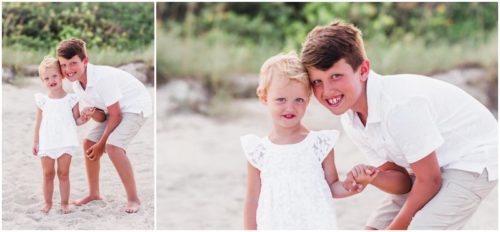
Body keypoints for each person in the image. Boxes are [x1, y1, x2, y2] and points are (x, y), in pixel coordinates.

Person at [301, 21, 498, 229]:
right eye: (317, 82)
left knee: (418, 227)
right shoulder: (351, 119)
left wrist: (394, 228)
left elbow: (430, 180)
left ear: (363, 70)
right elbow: (403, 182)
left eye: (336, 76)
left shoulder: (398, 106)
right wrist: (374, 177)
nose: (327, 90)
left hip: (473, 159)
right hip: (428, 167)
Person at [241, 52, 372, 230]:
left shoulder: (319, 144)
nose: (290, 107)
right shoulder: (258, 151)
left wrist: (354, 184)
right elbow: (252, 199)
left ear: (308, 100)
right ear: (264, 98)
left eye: (299, 100)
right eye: (281, 100)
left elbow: (332, 187)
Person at [56, 38, 152, 213]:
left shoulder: (101, 78)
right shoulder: (77, 84)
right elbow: (103, 117)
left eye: (73, 63)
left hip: (135, 106)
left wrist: (102, 145)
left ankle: (133, 199)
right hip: (116, 111)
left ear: (85, 61)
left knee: (113, 147)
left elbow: (116, 115)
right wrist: (93, 114)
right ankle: (94, 193)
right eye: (63, 65)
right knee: (88, 143)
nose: (68, 70)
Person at [32, 56, 94, 214]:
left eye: (54, 76)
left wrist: (85, 117)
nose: (51, 80)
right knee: (48, 174)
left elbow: (76, 120)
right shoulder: (43, 101)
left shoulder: (71, 99)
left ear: (62, 75)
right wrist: (36, 142)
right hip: (47, 141)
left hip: (66, 141)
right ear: (42, 81)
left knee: (63, 173)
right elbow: (38, 123)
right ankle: (47, 203)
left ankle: (64, 203)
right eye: (46, 78)